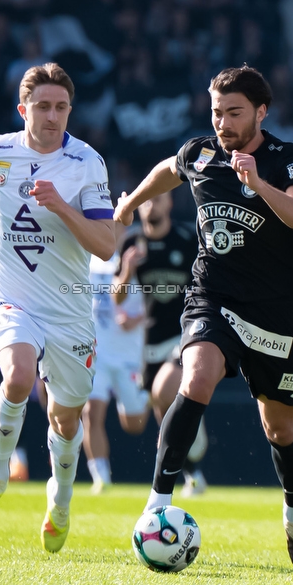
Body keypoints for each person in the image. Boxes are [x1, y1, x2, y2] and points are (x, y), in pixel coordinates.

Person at [114, 65, 293, 570]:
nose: (224, 123)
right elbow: (169, 168)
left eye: (234, 113)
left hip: (275, 313)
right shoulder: (201, 152)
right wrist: (131, 202)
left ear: (261, 112)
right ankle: (157, 505)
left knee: (281, 429)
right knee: (198, 374)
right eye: (216, 113)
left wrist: (258, 185)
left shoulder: (287, 159)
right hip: (214, 297)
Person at [0, 62, 115, 553]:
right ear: (24, 110)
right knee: (18, 375)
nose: (53, 116)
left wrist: (63, 206)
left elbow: (105, 245)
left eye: (61, 107)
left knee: (66, 420)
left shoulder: (86, 163)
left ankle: (59, 499)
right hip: (11, 297)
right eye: (43, 106)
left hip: (69, 312)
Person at [113, 192, 209, 497]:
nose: (150, 205)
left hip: (185, 334)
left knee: (163, 392)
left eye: (158, 199)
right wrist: (127, 270)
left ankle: (184, 463)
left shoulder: (185, 238)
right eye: (145, 201)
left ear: (170, 203)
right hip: (149, 343)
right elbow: (117, 296)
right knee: (154, 412)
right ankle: (192, 472)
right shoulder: (131, 243)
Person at [82, 248, 150, 493]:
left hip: (128, 355)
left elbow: (160, 302)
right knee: (91, 414)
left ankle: (148, 396)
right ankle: (100, 477)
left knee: (134, 424)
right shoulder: (86, 260)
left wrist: (139, 318)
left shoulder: (137, 257)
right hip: (97, 353)